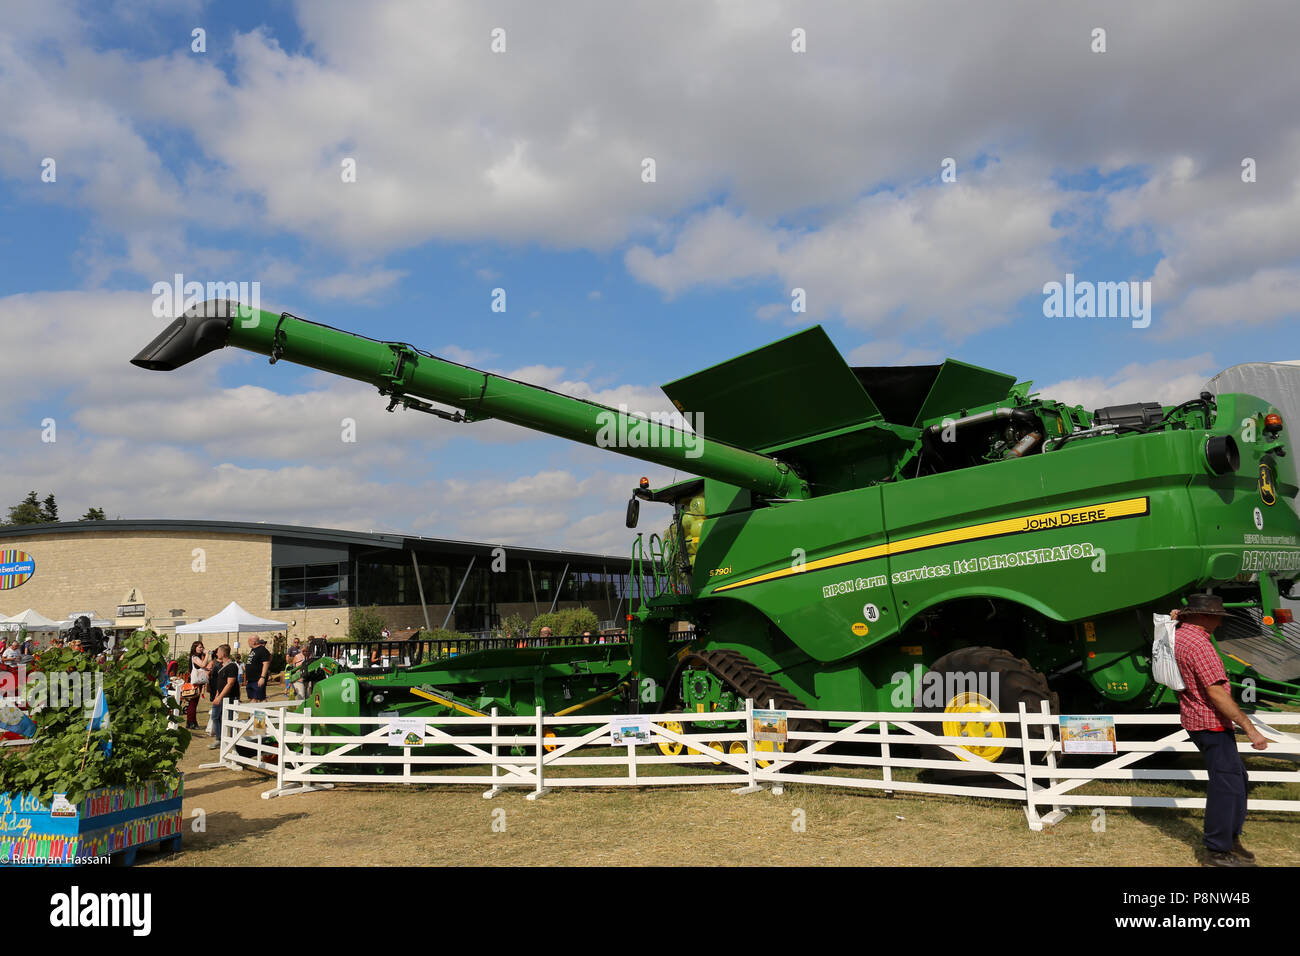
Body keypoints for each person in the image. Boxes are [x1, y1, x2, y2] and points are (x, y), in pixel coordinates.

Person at [1170, 594, 1268, 866]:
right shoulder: (1199, 645)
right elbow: (1217, 693)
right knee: (1226, 785)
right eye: (1216, 616)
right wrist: (1250, 728)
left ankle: (1230, 838)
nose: (1219, 622)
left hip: (1196, 719)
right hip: (1210, 721)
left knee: (1236, 778)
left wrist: (1177, 616)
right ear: (1202, 616)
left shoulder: (1178, 633)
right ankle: (1217, 850)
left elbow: (1170, 621)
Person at [207, 644, 240, 750]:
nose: (216, 654)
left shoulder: (232, 666)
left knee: (230, 719)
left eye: (218, 652)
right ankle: (219, 739)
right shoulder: (220, 666)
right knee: (215, 717)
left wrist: (220, 697)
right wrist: (217, 694)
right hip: (220, 696)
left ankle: (231, 740)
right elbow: (220, 682)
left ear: (224, 653)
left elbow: (230, 683)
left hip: (229, 698)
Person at [185, 641, 209, 730]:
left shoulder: (197, 657)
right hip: (194, 683)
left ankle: (191, 722)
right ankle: (191, 723)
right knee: (193, 704)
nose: (201, 649)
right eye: (199, 647)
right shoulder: (194, 657)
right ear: (194, 648)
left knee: (193, 703)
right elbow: (203, 664)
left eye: (202, 647)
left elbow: (202, 666)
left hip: (196, 683)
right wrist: (207, 655)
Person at [245, 635, 271, 702]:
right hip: (251, 679)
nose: (248, 642)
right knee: (252, 698)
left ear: (254, 642)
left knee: (261, 698)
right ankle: (253, 712)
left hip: (258, 679)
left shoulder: (262, 650)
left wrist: (262, 677)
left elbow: (266, 663)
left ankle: (266, 711)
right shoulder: (253, 650)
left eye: (249, 640)